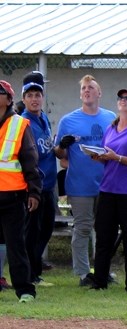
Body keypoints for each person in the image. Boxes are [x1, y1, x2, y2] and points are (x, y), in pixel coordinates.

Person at [53, 75, 116, 286]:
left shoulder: (110, 118)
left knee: (105, 229)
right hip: (79, 185)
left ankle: (102, 271)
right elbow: (60, 155)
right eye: (84, 89)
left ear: (99, 93)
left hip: (107, 183)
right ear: (80, 94)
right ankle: (82, 273)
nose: (87, 91)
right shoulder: (68, 121)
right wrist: (62, 145)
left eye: (91, 88)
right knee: (82, 227)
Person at [85, 88, 127, 291]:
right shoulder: (111, 128)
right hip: (109, 190)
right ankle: (99, 282)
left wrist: (118, 158)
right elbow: (107, 155)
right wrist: (99, 156)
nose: (123, 101)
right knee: (104, 237)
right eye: (120, 98)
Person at [0, 80, 41, 303]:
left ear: (8, 99)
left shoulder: (19, 124)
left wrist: (34, 193)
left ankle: (25, 290)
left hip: (13, 196)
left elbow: (30, 161)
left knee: (16, 245)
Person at [20, 71, 56, 287]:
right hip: (34, 186)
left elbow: (47, 148)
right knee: (32, 232)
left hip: (49, 184)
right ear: (24, 99)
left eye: (38, 95)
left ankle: (36, 270)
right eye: (30, 95)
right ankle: (30, 274)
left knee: (46, 228)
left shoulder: (42, 118)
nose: (35, 99)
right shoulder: (24, 122)